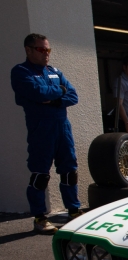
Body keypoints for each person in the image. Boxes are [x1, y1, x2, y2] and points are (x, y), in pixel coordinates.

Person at [10, 33, 81, 234]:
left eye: (48, 49)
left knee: (69, 170)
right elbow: (37, 93)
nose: (46, 54)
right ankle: (40, 218)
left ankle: (73, 211)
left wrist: (55, 97)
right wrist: (59, 91)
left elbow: (73, 95)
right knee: (40, 173)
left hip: (62, 127)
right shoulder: (21, 72)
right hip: (41, 129)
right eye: (41, 50)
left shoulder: (54, 71)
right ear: (29, 50)